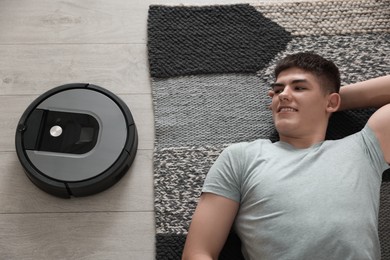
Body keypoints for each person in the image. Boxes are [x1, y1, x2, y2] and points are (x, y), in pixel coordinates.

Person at [182, 52, 390, 260]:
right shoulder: (241, 157)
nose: (282, 94)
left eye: (299, 87)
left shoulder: (365, 148)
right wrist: (306, 100)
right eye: (277, 90)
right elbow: (198, 252)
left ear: (332, 102)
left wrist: (332, 102)